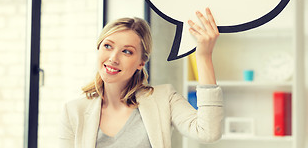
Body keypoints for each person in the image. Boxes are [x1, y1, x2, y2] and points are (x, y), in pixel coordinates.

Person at [59, 8, 223, 148]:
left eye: (127, 51)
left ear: (141, 63)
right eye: (108, 46)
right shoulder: (73, 111)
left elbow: (208, 132)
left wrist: (204, 56)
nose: (113, 58)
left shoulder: (164, 98)